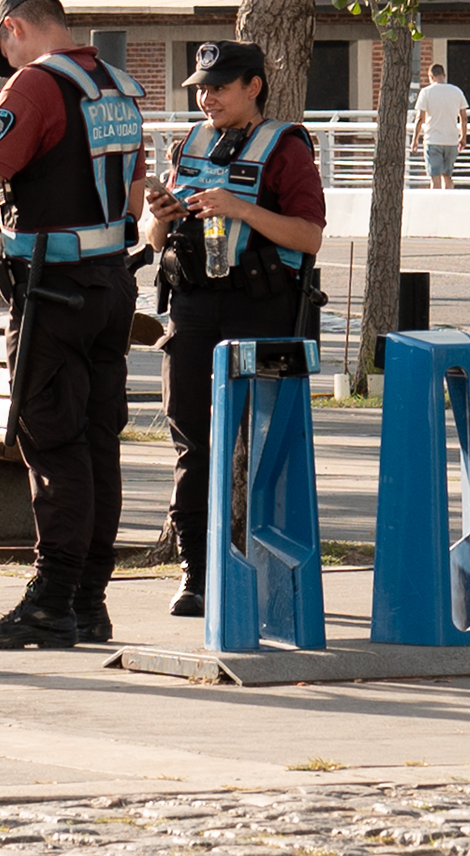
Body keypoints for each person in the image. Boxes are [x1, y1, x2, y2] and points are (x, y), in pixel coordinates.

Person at [0, 0, 146, 650]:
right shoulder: (116, 87)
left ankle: (51, 601)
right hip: (111, 282)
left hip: (53, 291)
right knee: (98, 442)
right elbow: (128, 197)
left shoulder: (32, 87)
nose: (6, 59)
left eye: (3, 46)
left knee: (52, 441)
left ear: (14, 29)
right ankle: (89, 600)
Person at [138, 41, 326, 618]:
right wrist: (159, 217)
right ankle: (196, 572)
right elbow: (150, 239)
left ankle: (274, 568)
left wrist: (241, 209)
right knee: (192, 442)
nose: (207, 97)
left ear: (254, 87)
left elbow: (309, 238)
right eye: (201, 87)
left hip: (260, 311)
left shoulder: (286, 147)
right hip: (193, 308)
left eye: (219, 86)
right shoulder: (190, 143)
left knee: (267, 447)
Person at [410, 60, 468, 189]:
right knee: (447, 176)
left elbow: (420, 118)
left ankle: (435, 206)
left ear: (430, 77)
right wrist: (463, 137)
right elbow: (463, 118)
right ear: (444, 75)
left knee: (434, 177)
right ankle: (449, 204)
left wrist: (415, 139)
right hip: (451, 140)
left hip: (433, 139)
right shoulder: (456, 91)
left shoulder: (426, 92)